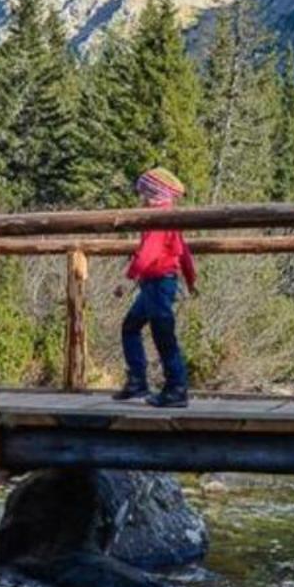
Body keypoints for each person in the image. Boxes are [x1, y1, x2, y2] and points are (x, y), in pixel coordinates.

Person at [112, 168, 199, 409]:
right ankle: (138, 381)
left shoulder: (159, 218)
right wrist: (191, 280)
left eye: (143, 192)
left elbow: (147, 253)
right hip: (157, 282)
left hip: (158, 282)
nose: (140, 197)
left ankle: (176, 388)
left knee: (163, 333)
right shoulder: (169, 216)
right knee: (132, 326)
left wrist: (127, 279)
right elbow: (184, 251)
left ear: (151, 194)